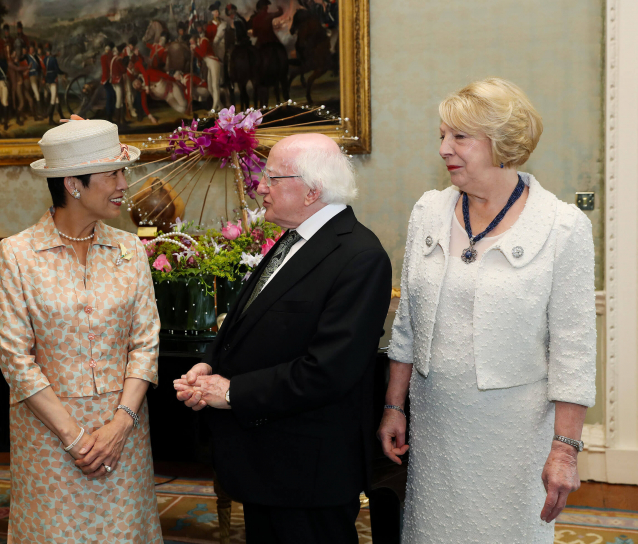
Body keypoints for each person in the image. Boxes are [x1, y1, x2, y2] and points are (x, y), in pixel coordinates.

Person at [377, 77, 596, 543]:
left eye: (459, 137)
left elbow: (573, 348)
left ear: (502, 144)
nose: (443, 148)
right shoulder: (428, 213)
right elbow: (408, 324)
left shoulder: (562, 227)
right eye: (441, 135)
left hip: (514, 431)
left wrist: (565, 449)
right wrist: (394, 405)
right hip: (437, 423)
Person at [174, 133, 392, 544]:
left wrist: (233, 391)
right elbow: (250, 321)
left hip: (309, 469)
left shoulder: (359, 257)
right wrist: (210, 363)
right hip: (270, 461)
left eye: (272, 178)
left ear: (312, 190)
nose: (260, 186)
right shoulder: (295, 238)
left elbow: (329, 369)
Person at [0, 116, 163, 543]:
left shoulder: (129, 251)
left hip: (122, 436)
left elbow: (145, 343)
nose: (125, 183)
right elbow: (15, 358)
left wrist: (119, 426)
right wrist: (75, 439)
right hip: (50, 441)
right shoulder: (17, 255)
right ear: (73, 184)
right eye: (112, 174)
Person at [44, 44, 66, 125]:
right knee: (53, 99)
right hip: (53, 80)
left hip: (48, 80)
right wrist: (63, 73)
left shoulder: (45, 59)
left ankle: (62, 117)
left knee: (56, 99)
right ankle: (49, 118)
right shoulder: (53, 59)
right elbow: (57, 70)